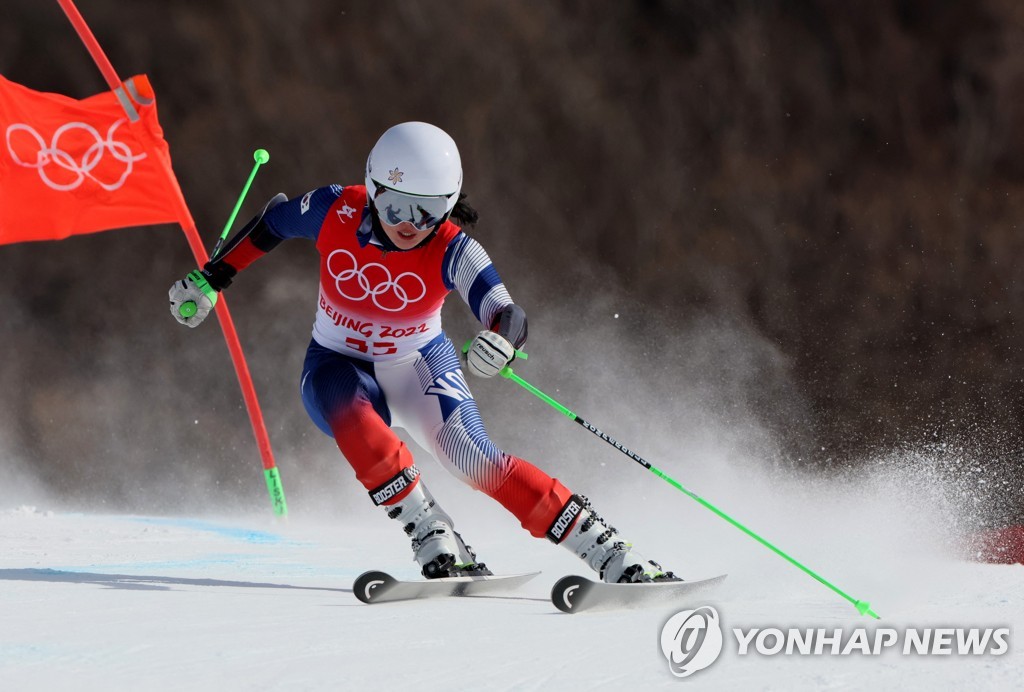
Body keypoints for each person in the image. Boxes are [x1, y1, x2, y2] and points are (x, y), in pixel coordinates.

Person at [169, 121, 677, 583]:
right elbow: (274, 222)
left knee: (476, 462)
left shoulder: (454, 248)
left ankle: (608, 552)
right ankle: (431, 531)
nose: (408, 224)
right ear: (372, 190)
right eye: (394, 206)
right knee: (349, 412)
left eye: (428, 211)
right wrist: (213, 278)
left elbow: (507, 312)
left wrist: (500, 341)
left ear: (449, 206)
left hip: (419, 364)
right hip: (336, 363)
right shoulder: (336, 209)